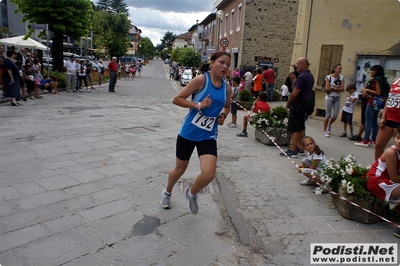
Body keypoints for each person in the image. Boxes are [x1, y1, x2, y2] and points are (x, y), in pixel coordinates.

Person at [160, 50, 231, 214]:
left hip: (208, 134)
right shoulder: (201, 80)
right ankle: (167, 192)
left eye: (227, 64)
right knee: (179, 169)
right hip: (189, 133)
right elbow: (177, 99)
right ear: (212, 63)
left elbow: (227, 106)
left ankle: (191, 194)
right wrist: (198, 105)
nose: (225, 67)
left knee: (208, 174)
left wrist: (223, 115)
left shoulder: (226, 88)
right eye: (221, 62)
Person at [366, 128, 400, 238]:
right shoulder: (391, 152)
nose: (398, 141)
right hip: (377, 181)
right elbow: (394, 177)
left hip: (387, 180)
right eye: (398, 137)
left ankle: (396, 211)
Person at [279, 57, 314, 158]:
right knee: (300, 126)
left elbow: (295, 93)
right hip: (304, 103)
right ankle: (301, 147)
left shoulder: (302, 77)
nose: (296, 65)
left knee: (294, 127)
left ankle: (292, 149)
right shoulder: (310, 76)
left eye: (298, 63)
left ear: (304, 65)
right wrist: (294, 80)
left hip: (298, 103)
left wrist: (288, 103)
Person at [355, 65, 390, 147]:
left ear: (375, 71)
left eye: (371, 70)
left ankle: (366, 140)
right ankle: (373, 140)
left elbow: (378, 92)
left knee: (368, 122)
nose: (370, 72)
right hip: (379, 103)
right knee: (374, 122)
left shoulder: (376, 80)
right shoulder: (383, 79)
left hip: (372, 102)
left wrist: (367, 90)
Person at [374, 77, 400, 160]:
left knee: (397, 149)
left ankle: (394, 169)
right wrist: (383, 116)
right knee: (378, 145)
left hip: (399, 120)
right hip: (389, 118)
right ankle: (379, 168)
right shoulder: (395, 80)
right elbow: (389, 99)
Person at [322, 64, 344, 137]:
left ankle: (329, 125)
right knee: (328, 114)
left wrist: (334, 88)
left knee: (335, 115)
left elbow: (342, 89)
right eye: (338, 68)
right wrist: (337, 88)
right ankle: (324, 130)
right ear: (334, 69)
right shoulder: (329, 77)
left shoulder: (341, 78)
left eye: (341, 68)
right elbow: (327, 88)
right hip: (329, 97)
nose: (340, 70)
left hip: (337, 98)